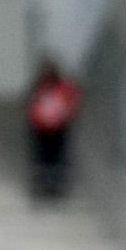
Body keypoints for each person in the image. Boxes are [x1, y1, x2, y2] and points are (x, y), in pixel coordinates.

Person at [28, 55, 83, 202]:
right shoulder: (40, 87)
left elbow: (71, 104)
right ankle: (43, 185)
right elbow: (33, 105)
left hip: (59, 129)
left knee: (57, 157)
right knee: (43, 157)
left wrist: (62, 117)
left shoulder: (64, 88)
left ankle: (56, 186)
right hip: (42, 130)